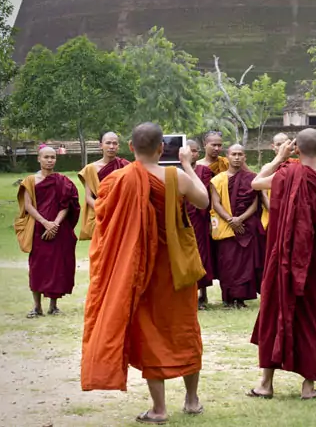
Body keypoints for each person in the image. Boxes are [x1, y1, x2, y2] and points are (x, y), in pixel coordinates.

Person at [81, 122, 210, 425]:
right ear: (161, 148)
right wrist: (188, 165)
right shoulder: (175, 175)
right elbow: (203, 201)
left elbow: (104, 221)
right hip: (175, 267)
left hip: (139, 270)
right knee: (184, 330)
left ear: (129, 147)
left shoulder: (117, 179)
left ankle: (159, 409)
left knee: (152, 334)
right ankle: (192, 401)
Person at [249, 128, 316, 400]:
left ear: (295, 150)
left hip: (285, 261)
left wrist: (278, 158)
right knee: (314, 317)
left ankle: (266, 384)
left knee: (277, 312)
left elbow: (256, 183)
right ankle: (308, 388)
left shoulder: (285, 174)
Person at [14, 145, 80, 318]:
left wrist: (55, 224)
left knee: (57, 267)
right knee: (37, 267)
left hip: (59, 230)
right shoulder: (30, 181)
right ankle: (37, 307)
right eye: (46, 157)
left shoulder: (62, 181)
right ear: (39, 158)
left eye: (53, 157)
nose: (50, 160)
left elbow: (66, 205)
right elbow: (28, 205)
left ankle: (53, 306)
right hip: (38, 229)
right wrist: (45, 222)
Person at [210, 144, 264, 308]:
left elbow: (255, 204)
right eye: (234, 154)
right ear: (228, 156)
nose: (237, 157)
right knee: (227, 263)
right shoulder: (217, 179)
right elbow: (216, 203)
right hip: (226, 227)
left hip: (245, 227)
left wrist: (240, 219)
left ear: (245, 157)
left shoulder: (252, 178)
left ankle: (240, 299)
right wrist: (231, 220)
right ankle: (227, 299)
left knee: (244, 264)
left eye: (240, 154)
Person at [78, 132, 131, 240]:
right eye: (108, 143)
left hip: (121, 214)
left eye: (115, 143)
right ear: (101, 145)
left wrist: (116, 212)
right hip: (100, 215)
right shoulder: (91, 169)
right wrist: (104, 210)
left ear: (118, 146)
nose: (111, 146)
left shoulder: (126, 166)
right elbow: (88, 197)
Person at [186, 139, 216, 310]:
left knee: (201, 256)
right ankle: (187, 294)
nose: (194, 154)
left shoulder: (204, 171)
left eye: (196, 151)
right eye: (190, 150)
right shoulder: (176, 171)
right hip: (182, 218)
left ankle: (202, 294)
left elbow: (207, 195)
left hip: (200, 219)